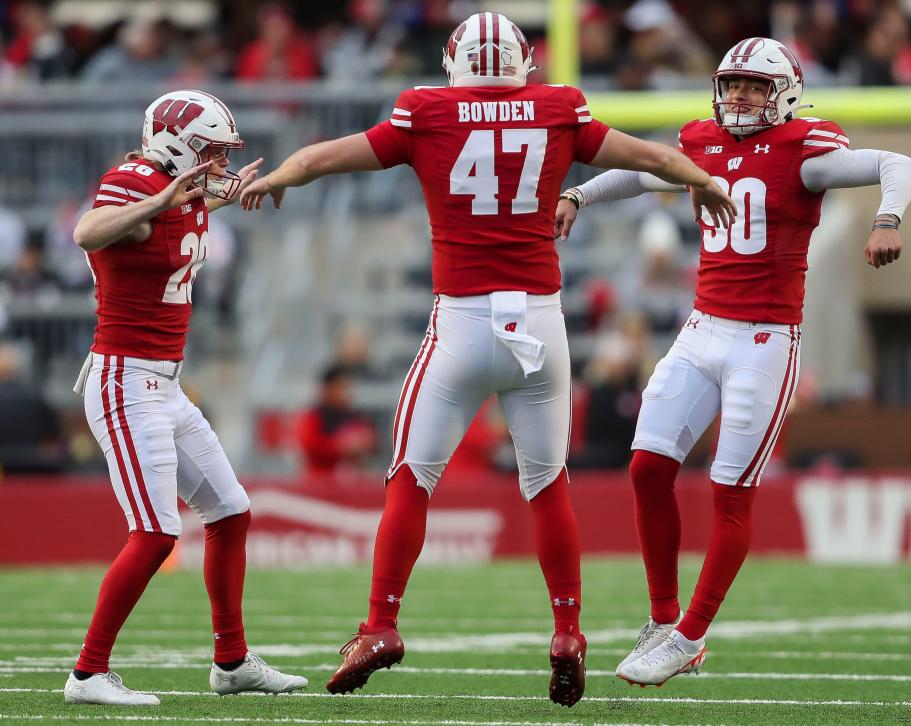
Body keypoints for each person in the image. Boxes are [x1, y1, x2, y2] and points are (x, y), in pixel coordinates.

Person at [240, 12, 734, 707]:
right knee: (547, 482)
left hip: (463, 321)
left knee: (411, 476)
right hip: (539, 322)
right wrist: (704, 179)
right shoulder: (559, 106)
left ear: (457, 62)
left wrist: (283, 175)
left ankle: (381, 624)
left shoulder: (427, 109)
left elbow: (328, 156)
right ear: (522, 63)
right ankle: (567, 631)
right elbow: (649, 156)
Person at [556, 37, 911, 687]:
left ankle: (692, 634)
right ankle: (666, 622)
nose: (739, 96)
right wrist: (580, 196)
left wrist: (887, 218)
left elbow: (898, 160)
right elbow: (642, 173)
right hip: (701, 329)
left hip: (765, 339)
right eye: (732, 84)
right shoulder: (700, 139)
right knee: (646, 468)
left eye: (754, 85)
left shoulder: (804, 149)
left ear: (784, 92)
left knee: (730, 492)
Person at [64, 90, 307, 706]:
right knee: (154, 532)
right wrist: (163, 198)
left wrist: (255, 185)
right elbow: (87, 231)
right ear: (181, 146)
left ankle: (231, 662)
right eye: (214, 151)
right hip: (124, 378)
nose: (221, 162)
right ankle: (88, 674)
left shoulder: (181, 184)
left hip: (163, 384)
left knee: (230, 511)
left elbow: (197, 202)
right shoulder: (137, 179)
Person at [296, 363, 377, 474]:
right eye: (340, 387)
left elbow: (371, 442)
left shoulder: (355, 416)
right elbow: (309, 444)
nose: (346, 393)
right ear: (327, 389)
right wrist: (341, 446)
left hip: (352, 483)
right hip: (321, 481)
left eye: (348, 387)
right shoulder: (314, 416)